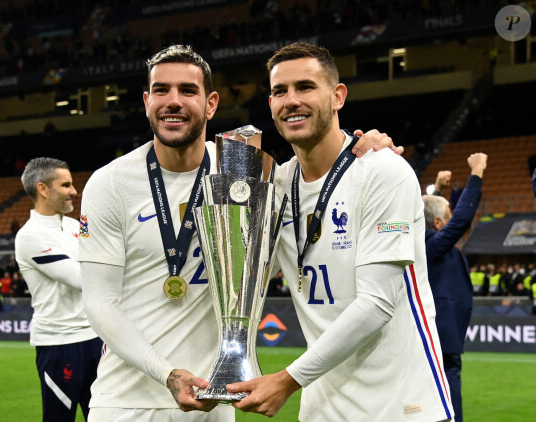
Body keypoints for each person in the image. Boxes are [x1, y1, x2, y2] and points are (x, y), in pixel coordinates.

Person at [78, 44, 397, 422]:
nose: (173, 102)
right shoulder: (110, 183)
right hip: (125, 403)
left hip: (214, 401)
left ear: (211, 104)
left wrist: (361, 149)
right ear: (147, 101)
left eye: (188, 91)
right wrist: (165, 374)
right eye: (161, 91)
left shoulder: (251, 172)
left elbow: (316, 174)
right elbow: (99, 302)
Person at [227, 41, 454, 422]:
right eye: (279, 91)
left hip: (401, 409)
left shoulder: (383, 171)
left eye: (305, 87)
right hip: (322, 412)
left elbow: (376, 303)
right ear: (270, 104)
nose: (291, 100)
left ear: (337, 96)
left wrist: (287, 380)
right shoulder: (274, 187)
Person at [14, 157, 103, 422]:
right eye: (65, 185)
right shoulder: (29, 236)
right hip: (59, 344)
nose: (74, 192)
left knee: (104, 416)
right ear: (43, 189)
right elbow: (82, 278)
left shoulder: (77, 226)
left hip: (95, 337)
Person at [422, 152, 487, 422]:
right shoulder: (431, 245)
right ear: (438, 224)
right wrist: (477, 173)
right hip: (441, 331)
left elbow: (423, 214)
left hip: (442, 330)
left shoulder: (425, 240)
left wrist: (437, 190)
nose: (453, 217)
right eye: (447, 215)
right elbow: (462, 220)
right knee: (447, 391)